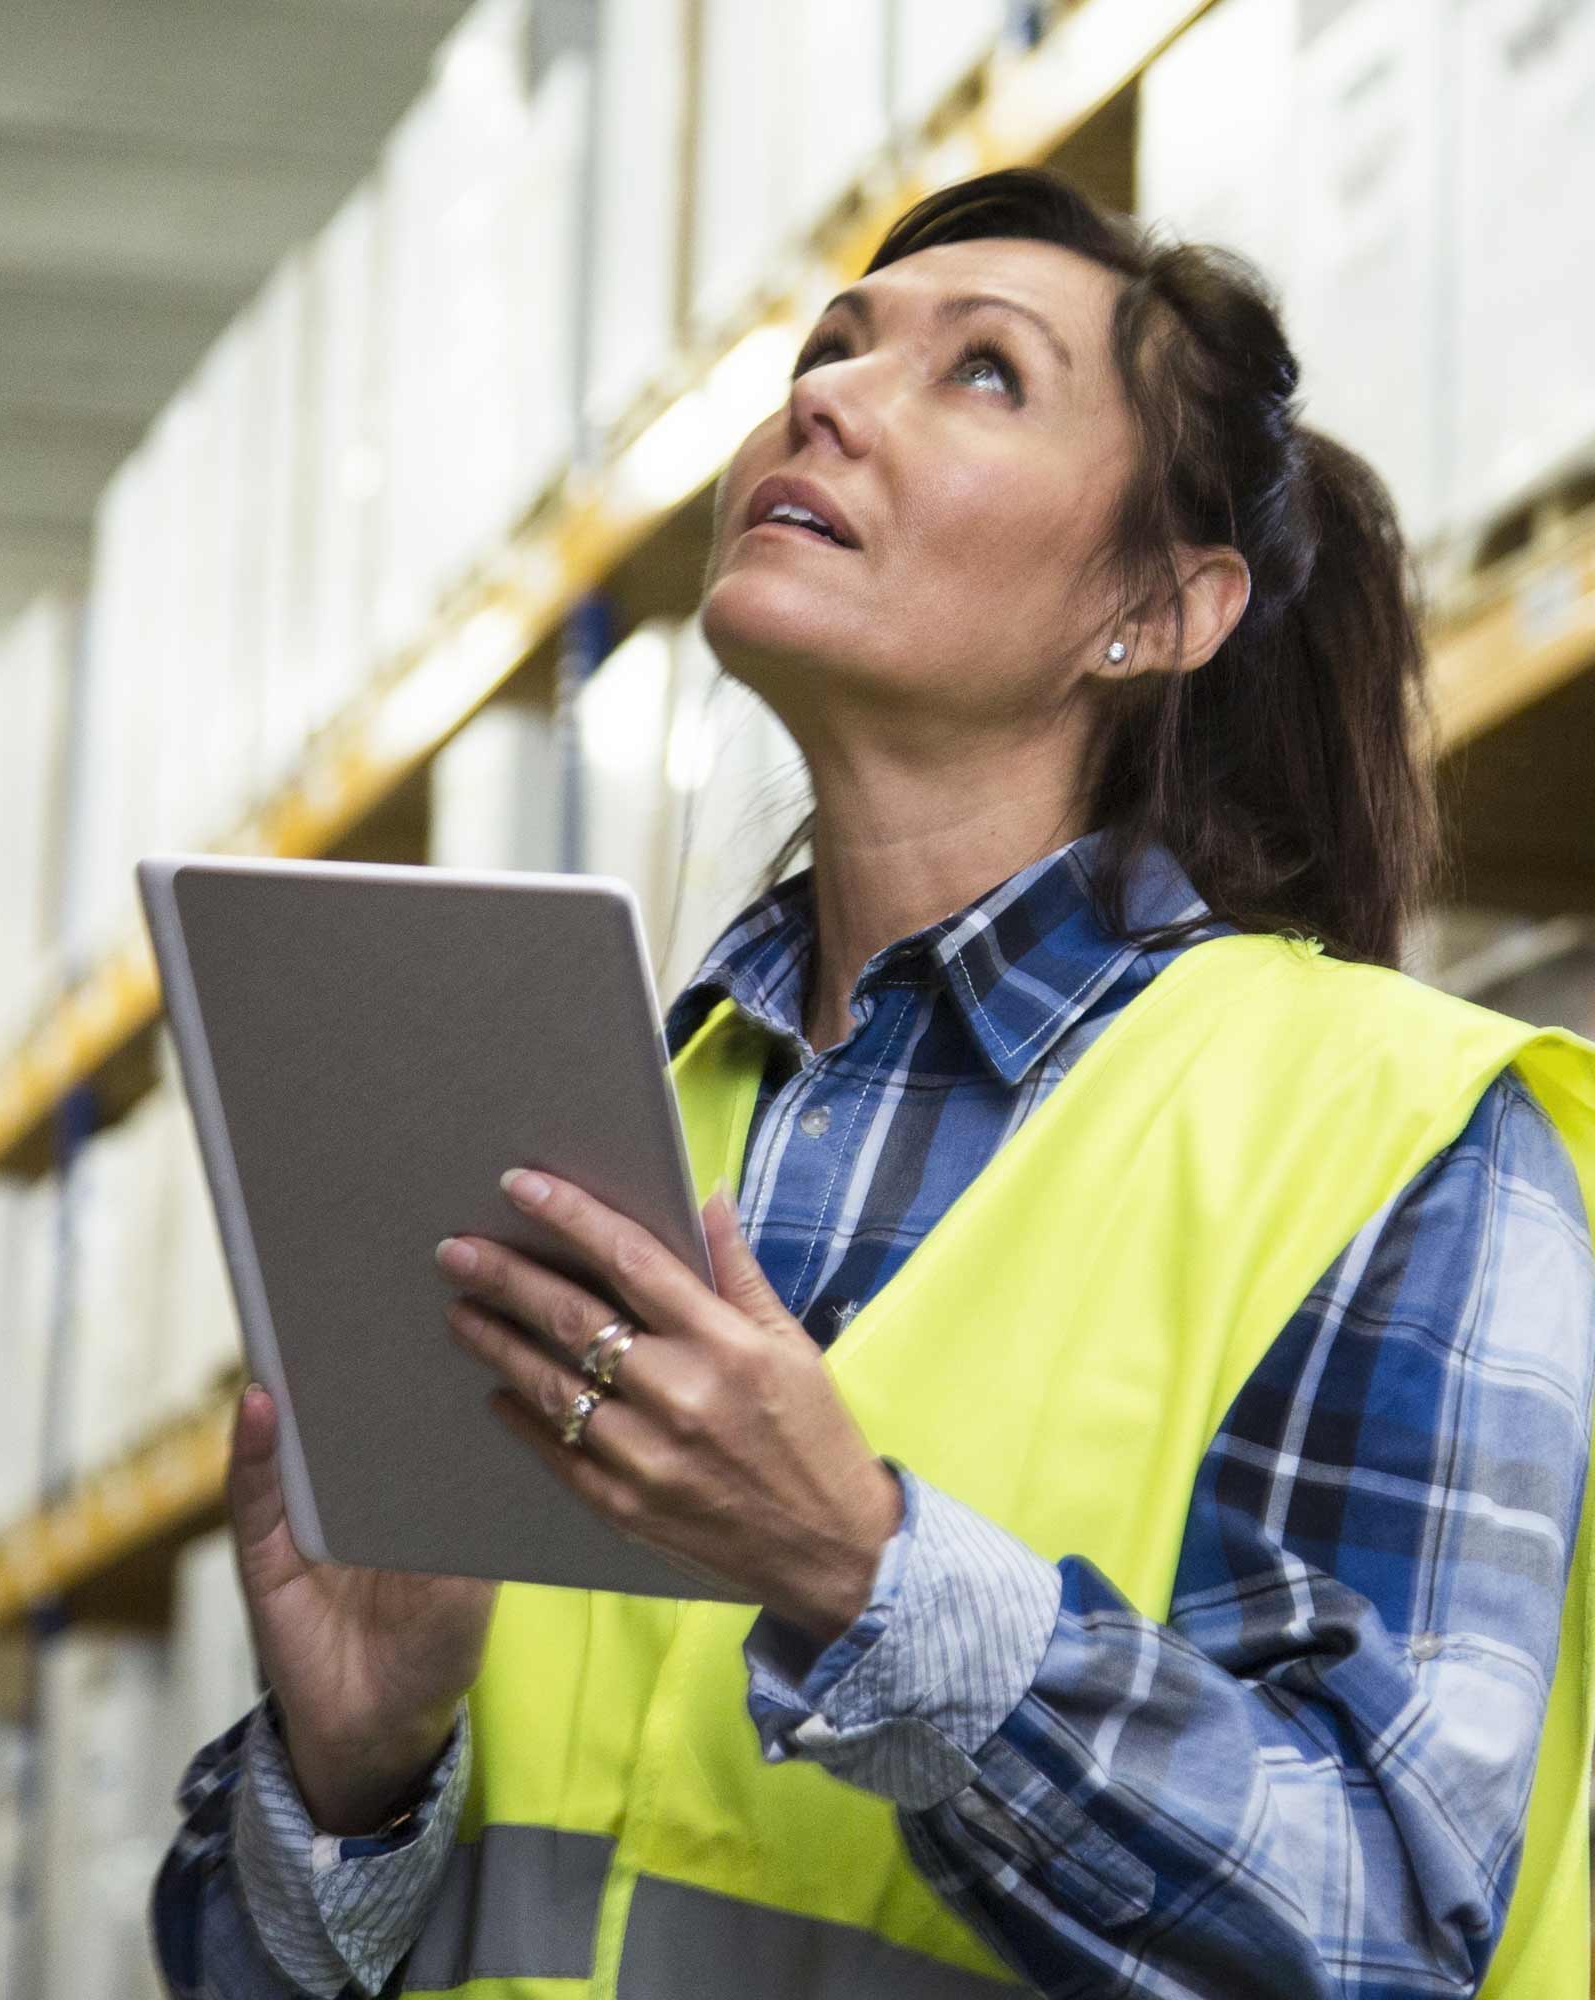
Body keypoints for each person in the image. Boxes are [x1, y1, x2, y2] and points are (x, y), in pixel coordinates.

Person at [148, 167, 1595, 1999]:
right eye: (829, 346)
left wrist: (871, 1578)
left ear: (1160, 606)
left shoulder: (1398, 1135)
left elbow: (1389, 1933)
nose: (823, 394)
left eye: (981, 373)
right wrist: (356, 1776)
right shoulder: (583, 1130)